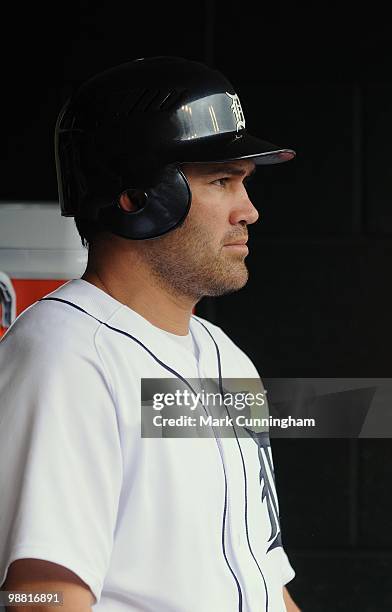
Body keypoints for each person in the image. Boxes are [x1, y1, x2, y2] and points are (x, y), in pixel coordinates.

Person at [0, 56, 301, 611]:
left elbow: (264, 580)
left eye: (244, 183)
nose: (249, 211)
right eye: (221, 181)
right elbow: (40, 594)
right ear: (138, 197)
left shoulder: (227, 358)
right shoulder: (66, 354)